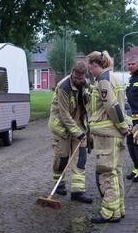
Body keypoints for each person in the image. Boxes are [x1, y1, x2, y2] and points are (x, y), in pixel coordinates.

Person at [86, 51, 131, 223]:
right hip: (115, 133)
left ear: (95, 65)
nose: (89, 71)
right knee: (116, 171)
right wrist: (124, 126)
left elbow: (112, 106)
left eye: (90, 67)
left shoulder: (104, 80)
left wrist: (121, 126)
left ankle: (109, 212)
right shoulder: (115, 78)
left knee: (106, 171)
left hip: (107, 133)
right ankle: (118, 209)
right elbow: (122, 105)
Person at [48, 60, 93, 204]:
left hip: (79, 125)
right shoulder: (63, 87)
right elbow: (64, 114)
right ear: (71, 72)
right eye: (76, 77)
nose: (78, 80)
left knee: (80, 159)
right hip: (62, 128)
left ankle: (78, 192)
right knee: (62, 158)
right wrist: (77, 132)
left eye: (81, 78)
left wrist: (85, 130)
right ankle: (59, 184)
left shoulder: (86, 85)